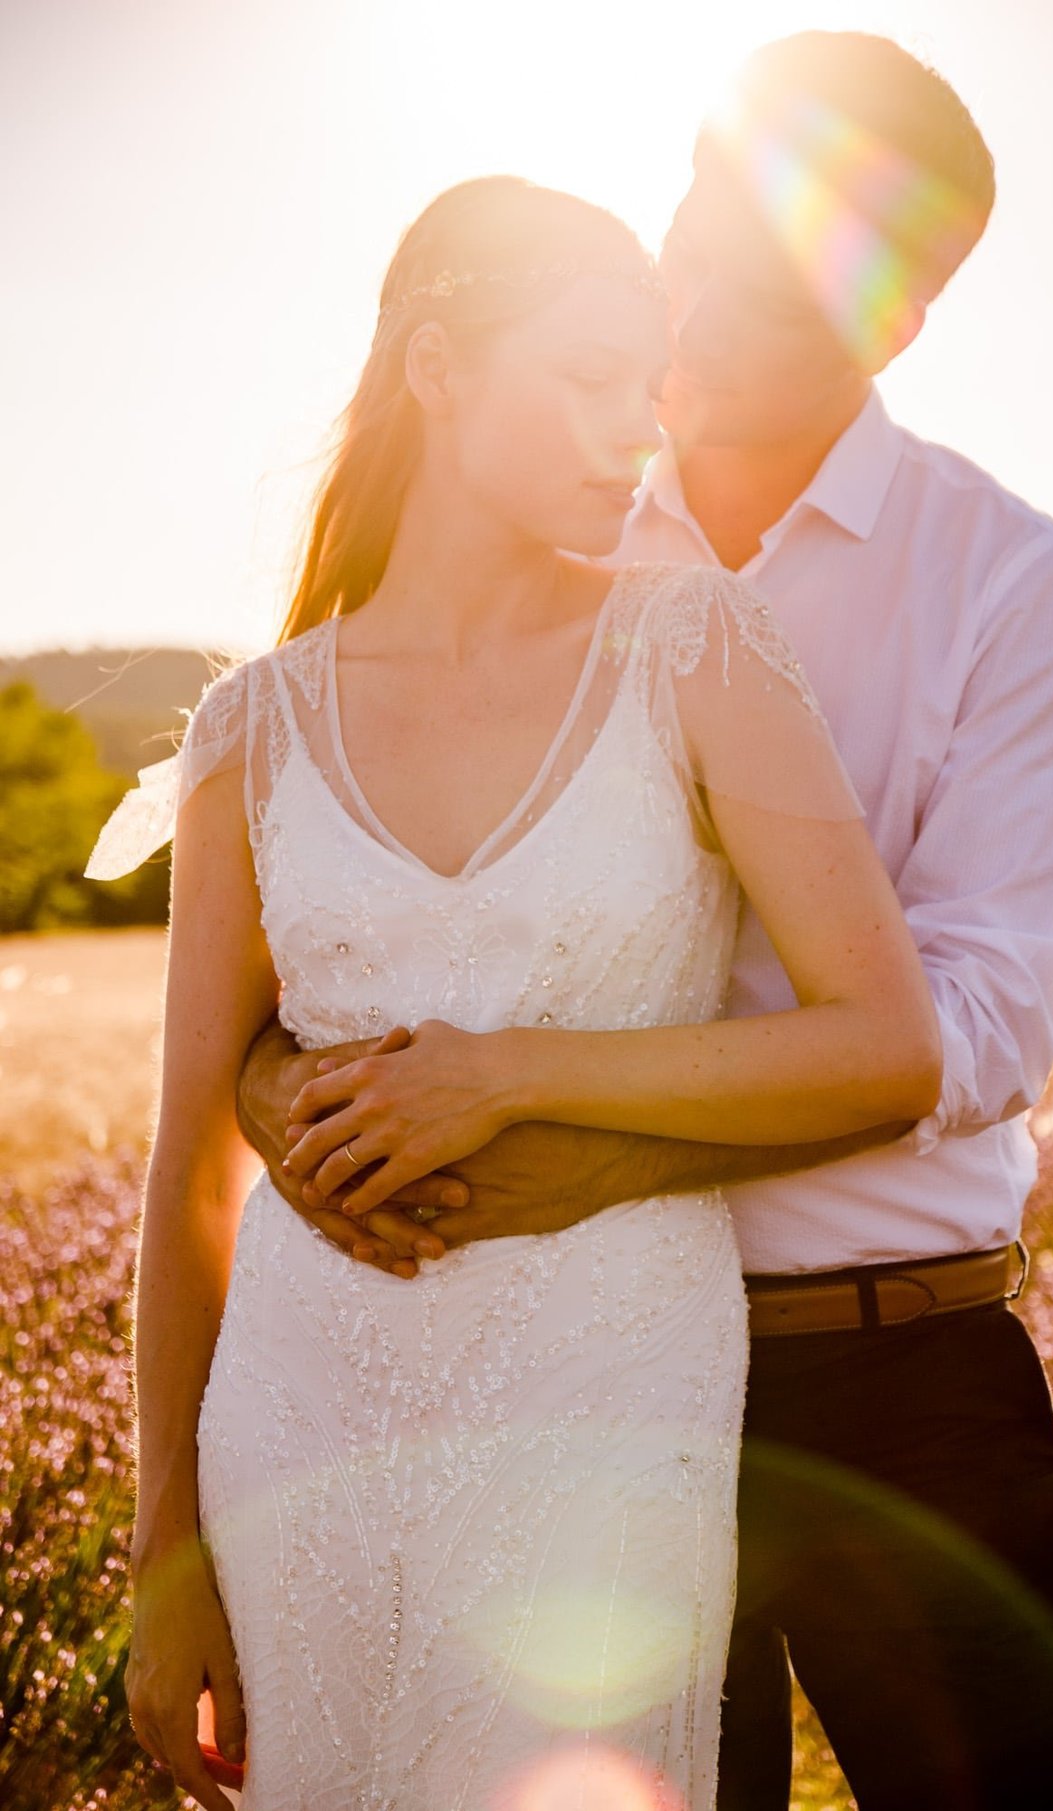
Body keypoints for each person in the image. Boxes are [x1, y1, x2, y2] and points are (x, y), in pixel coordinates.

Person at [240, 33, 1053, 1811]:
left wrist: (587, 1146)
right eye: (695, 235)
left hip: (900, 1377)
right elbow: (313, 921)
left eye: (772, 279)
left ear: (899, 319)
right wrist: (287, 1105)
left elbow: (969, 1035)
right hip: (570, 1382)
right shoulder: (506, 523)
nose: (696, 310)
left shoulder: (1014, 583)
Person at [86, 173, 941, 1810]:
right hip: (303, 1422)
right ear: (435, 367)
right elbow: (190, 1162)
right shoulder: (250, 732)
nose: (642, 427)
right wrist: (165, 1551)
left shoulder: (700, 651)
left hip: (608, 1402)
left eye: (655, 382)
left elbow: (886, 1048)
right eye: (591, 376)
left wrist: (512, 1070)